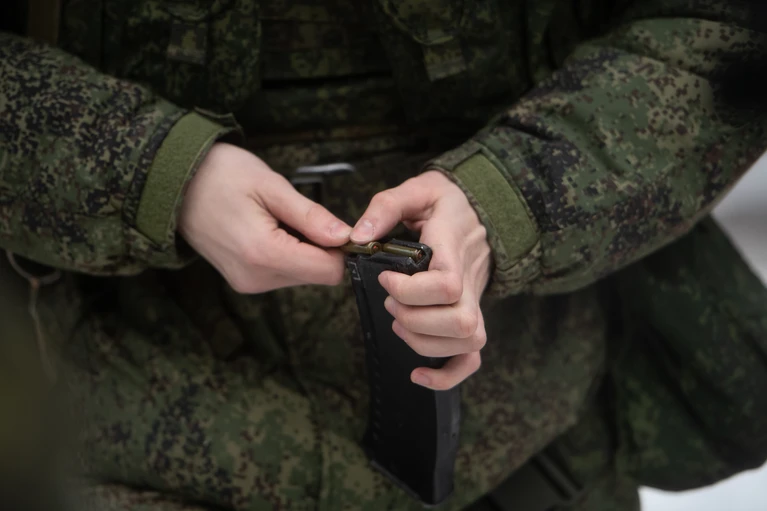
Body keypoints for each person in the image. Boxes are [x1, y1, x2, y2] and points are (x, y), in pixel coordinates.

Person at [2, 0, 767, 509]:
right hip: (109, 442)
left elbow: (724, 22)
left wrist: (509, 199)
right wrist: (160, 177)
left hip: (537, 449)